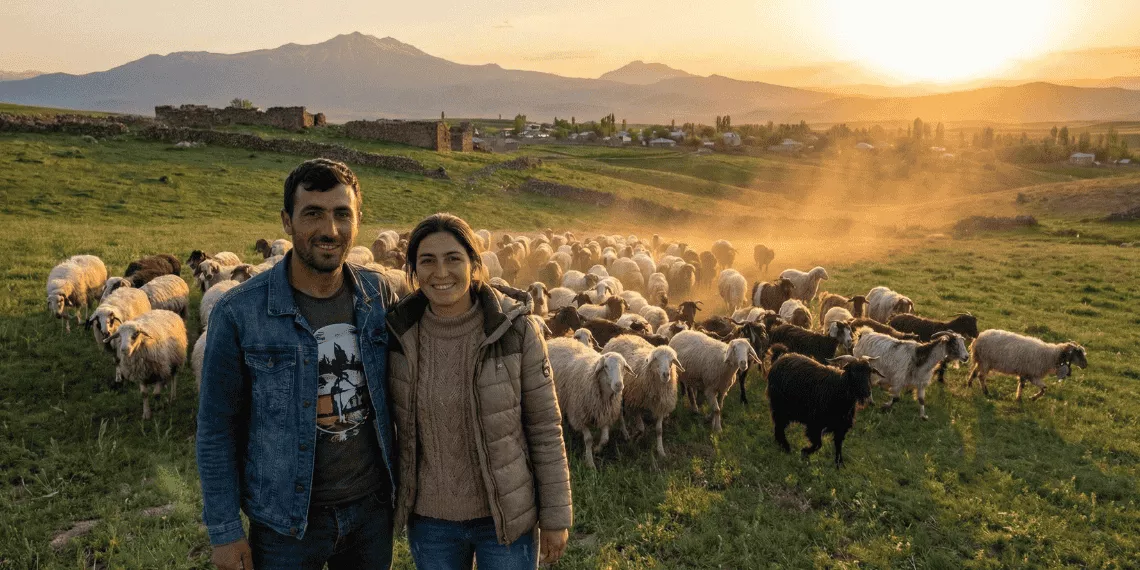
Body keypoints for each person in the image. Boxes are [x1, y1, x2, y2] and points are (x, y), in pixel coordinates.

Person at [197, 158, 399, 570]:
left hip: (372, 510)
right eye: (313, 214)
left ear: (358, 220)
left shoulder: (379, 295)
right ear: (287, 221)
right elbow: (217, 428)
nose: (330, 230)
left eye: (343, 214)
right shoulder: (239, 313)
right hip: (285, 522)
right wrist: (224, 530)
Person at [386, 213, 572, 569]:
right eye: (427, 261)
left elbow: (545, 428)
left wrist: (555, 514)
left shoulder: (515, 331)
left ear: (474, 264)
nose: (441, 273)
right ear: (413, 270)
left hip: (504, 517)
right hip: (431, 521)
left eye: (453, 258)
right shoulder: (398, 335)